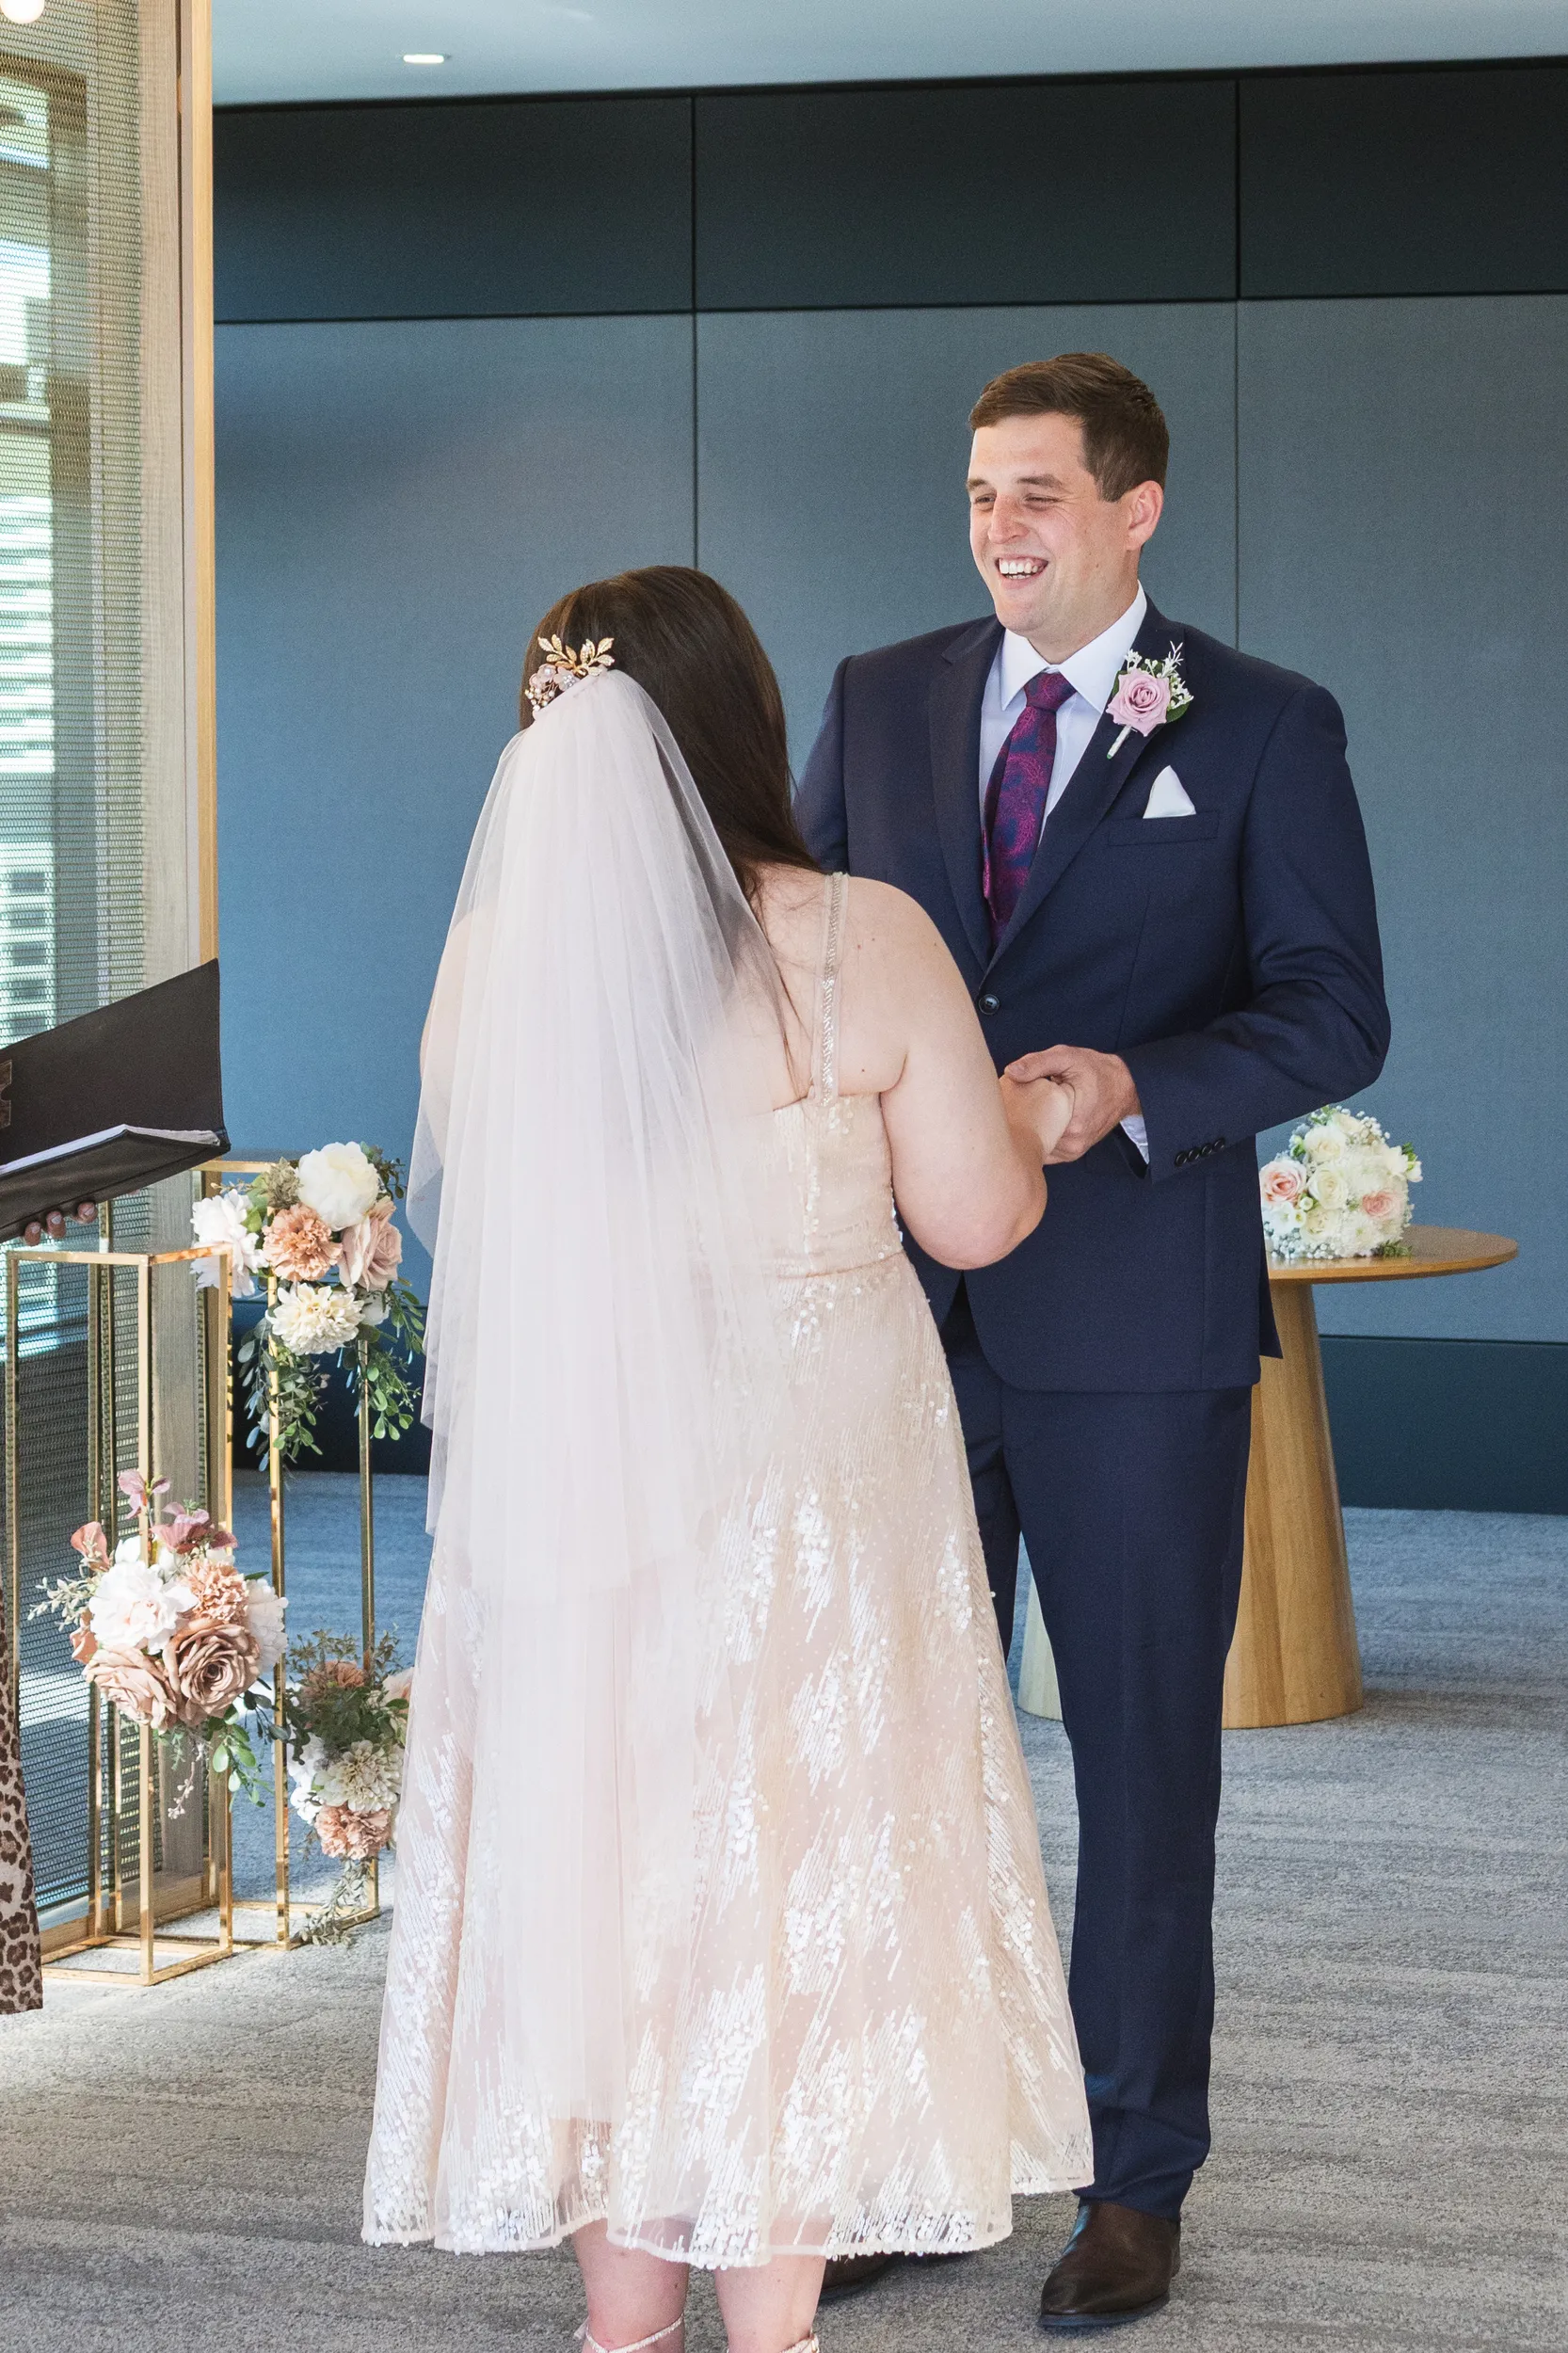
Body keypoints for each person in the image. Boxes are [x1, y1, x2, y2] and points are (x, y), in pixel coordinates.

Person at [362, 567, 1093, 2353]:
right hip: (815, 1489)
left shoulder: (501, 959)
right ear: (747, 725)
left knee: (615, 1869)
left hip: (589, 1485)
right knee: (798, 1872)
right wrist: (1031, 1115)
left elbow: (485, 1238)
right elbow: (980, 1220)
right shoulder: (863, 936)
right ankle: (770, 2331)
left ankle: (626, 2332)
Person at [795, 354, 1389, 2330]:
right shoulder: (877, 694)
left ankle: (1134, 2175)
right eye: (977, 494)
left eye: (1037, 494)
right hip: (890, 1318)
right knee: (890, 1759)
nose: (998, 530)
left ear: (1135, 510)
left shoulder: (1265, 724)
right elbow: (803, 950)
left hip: (1134, 1327)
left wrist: (1122, 1086)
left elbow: (1327, 1012)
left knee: (1138, 1768)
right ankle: (911, 2148)